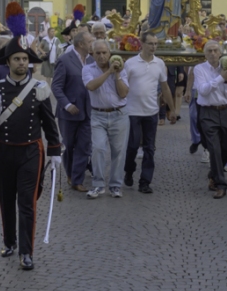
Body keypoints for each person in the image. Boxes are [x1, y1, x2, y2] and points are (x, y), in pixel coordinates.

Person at [0, 45, 63, 270]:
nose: (22, 63)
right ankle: (9, 242)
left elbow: (49, 123)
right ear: (8, 62)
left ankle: (26, 252)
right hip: (2, 152)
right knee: (6, 200)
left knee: (27, 203)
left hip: (30, 152)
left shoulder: (39, 89)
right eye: (17, 59)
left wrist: (54, 150)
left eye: (25, 59)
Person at [121, 34, 171, 194]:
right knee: (132, 146)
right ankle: (129, 170)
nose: (153, 47)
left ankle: (145, 181)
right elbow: (122, 85)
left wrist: (172, 109)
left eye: (156, 44)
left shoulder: (160, 63)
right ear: (142, 44)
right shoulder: (130, 64)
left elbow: (165, 87)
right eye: (150, 43)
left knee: (150, 148)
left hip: (151, 112)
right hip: (132, 111)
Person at [83, 39, 129, 199]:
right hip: (98, 115)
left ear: (110, 54)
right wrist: (109, 72)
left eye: (104, 53)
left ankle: (116, 186)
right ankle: (98, 185)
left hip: (119, 114)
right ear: (92, 55)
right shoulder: (87, 69)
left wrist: (116, 74)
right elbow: (91, 86)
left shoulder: (121, 69)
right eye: (98, 53)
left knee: (119, 151)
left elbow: (123, 93)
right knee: (98, 149)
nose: (102, 56)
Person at [192, 41, 227, 198]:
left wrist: (226, 80)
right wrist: (220, 78)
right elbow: (203, 90)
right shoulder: (199, 69)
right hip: (208, 111)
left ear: (220, 53)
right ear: (205, 54)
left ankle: (213, 173)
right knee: (214, 148)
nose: (212, 53)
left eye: (215, 50)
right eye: (209, 51)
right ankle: (220, 184)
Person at [51, 25, 93, 192]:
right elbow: (56, 87)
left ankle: (77, 179)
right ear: (81, 44)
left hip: (87, 111)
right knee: (69, 145)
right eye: (91, 41)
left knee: (84, 146)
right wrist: (67, 105)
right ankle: (70, 172)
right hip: (69, 112)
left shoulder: (91, 60)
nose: (93, 44)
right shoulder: (65, 60)